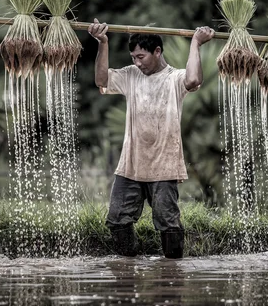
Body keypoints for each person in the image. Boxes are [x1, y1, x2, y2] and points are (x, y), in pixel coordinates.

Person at [89, 18, 214, 258]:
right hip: (131, 165)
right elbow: (101, 80)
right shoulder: (130, 75)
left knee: (168, 224)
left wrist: (196, 43)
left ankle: (173, 271)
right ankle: (127, 268)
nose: (136, 62)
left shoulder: (175, 78)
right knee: (117, 220)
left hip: (164, 166)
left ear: (157, 51)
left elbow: (194, 80)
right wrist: (102, 42)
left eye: (141, 57)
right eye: (133, 57)